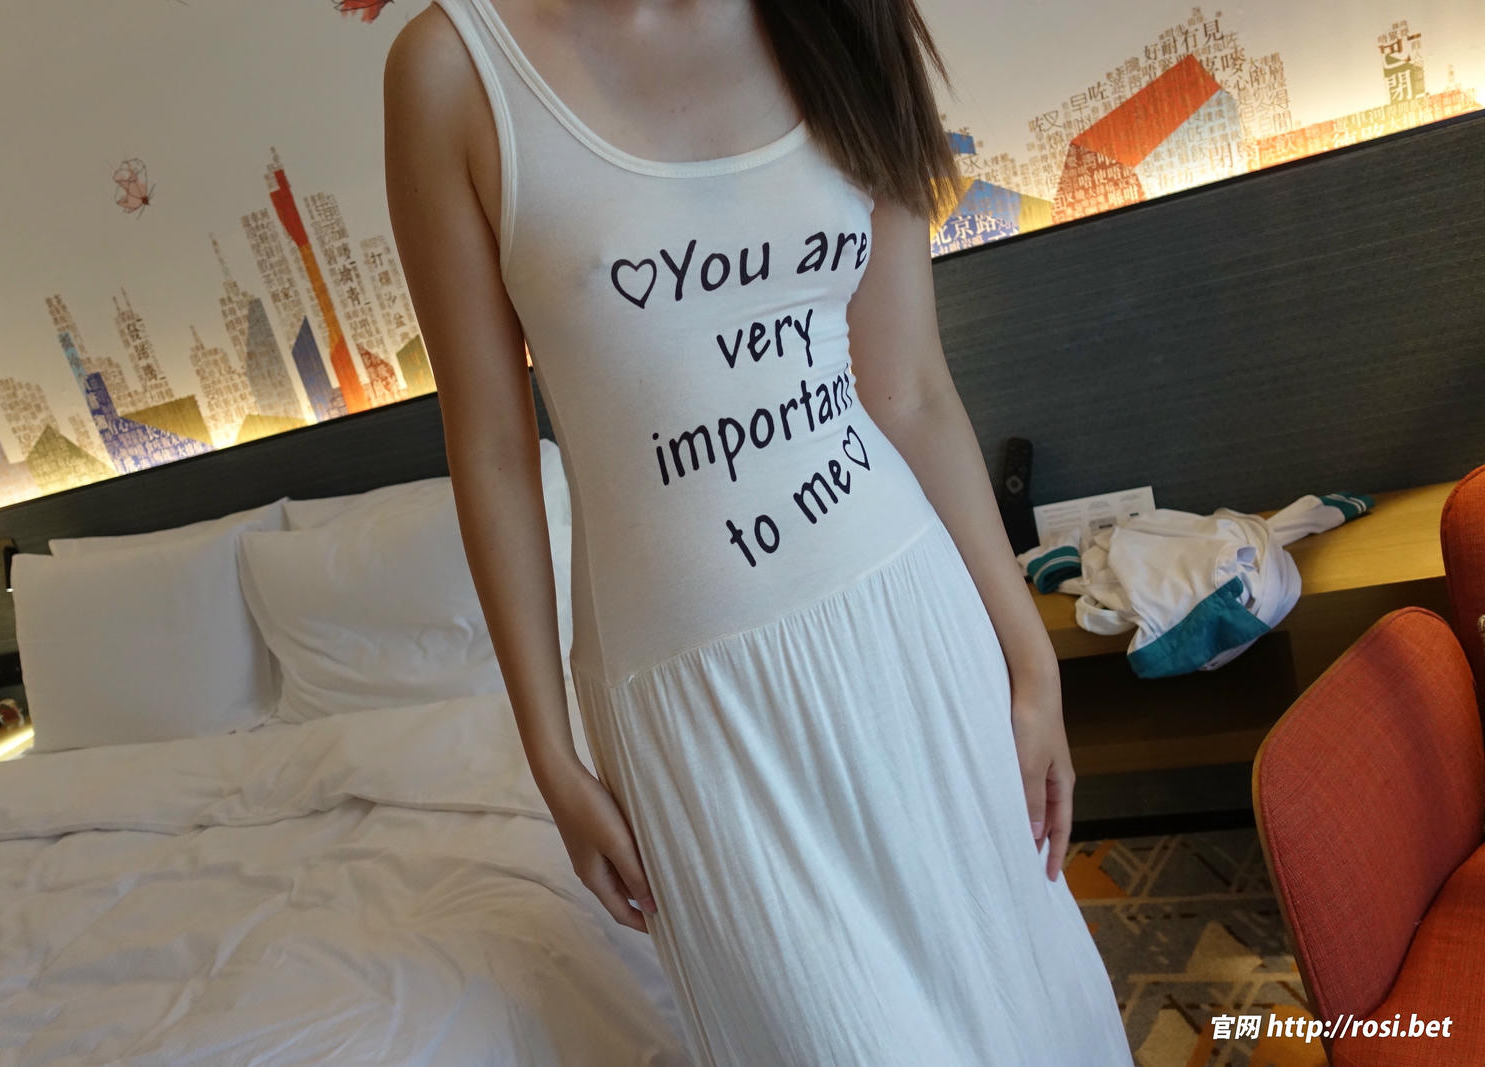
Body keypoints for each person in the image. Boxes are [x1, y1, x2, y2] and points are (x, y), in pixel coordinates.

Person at [382, 1, 1133, 1062]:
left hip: (913, 636)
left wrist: (1028, 657)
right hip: (696, 713)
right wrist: (550, 751)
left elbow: (910, 390)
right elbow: (495, 450)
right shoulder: (453, 72)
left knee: (1035, 1015)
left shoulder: (847, 17)